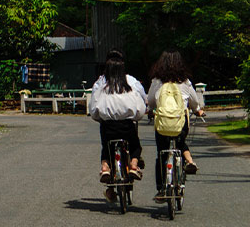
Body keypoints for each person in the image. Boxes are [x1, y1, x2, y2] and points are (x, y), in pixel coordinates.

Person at [146, 49, 205, 202]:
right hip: (180, 123)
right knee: (180, 142)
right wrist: (197, 110)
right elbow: (194, 102)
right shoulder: (184, 81)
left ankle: (161, 189)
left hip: (163, 124)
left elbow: (151, 102)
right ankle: (188, 161)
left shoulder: (157, 81)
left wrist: (150, 111)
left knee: (161, 153)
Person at [88, 49, 147, 187]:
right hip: (127, 125)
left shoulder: (100, 85)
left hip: (108, 127)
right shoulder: (130, 83)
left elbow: (94, 110)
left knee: (106, 147)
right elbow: (140, 105)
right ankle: (133, 164)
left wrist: (100, 118)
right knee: (135, 147)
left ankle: (105, 167)